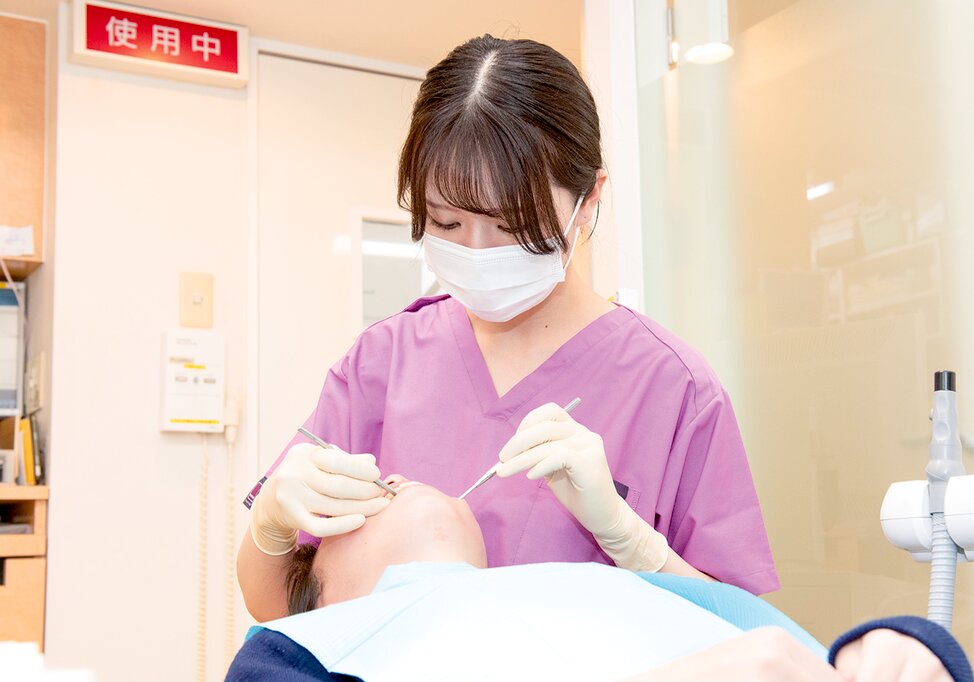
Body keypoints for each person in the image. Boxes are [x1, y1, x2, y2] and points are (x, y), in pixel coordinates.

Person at [238, 33, 779, 624]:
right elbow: (284, 617)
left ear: (590, 198)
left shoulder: (675, 389)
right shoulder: (383, 362)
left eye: (513, 225)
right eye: (446, 221)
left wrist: (633, 542)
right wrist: (270, 523)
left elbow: (746, 639)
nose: (477, 250)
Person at [227, 478, 970, 682]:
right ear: (322, 595)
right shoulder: (308, 654)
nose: (392, 476)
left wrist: (912, 644)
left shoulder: (602, 585)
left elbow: (782, 644)